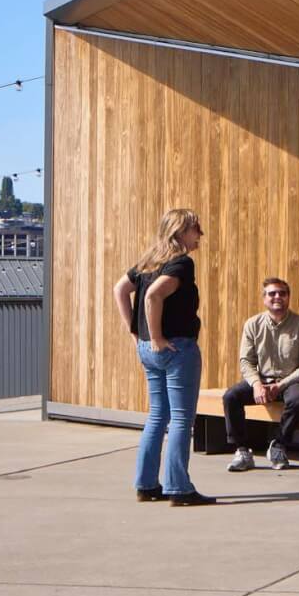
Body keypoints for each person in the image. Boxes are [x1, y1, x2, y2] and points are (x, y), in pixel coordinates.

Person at [114, 207, 214, 507]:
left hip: (150, 351)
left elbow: (120, 289)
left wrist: (137, 333)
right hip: (176, 348)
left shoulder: (148, 262)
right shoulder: (181, 263)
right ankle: (179, 488)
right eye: (197, 228)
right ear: (181, 231)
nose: (200, 234)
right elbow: (153, 296)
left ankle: (146, 484)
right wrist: (155, 336)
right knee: (182, 419)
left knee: (158, 416)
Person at [220, 278, 299, 471]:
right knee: (231, 396)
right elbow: (246, 361)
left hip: (293, 381)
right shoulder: (253, 324)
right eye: (272, 293)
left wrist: (280, 385)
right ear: (264, 299)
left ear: (288, 297)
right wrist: (257, 384)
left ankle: (279, 445)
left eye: (282, 293)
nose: (277, 297)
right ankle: (242, 451)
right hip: (262, 380)